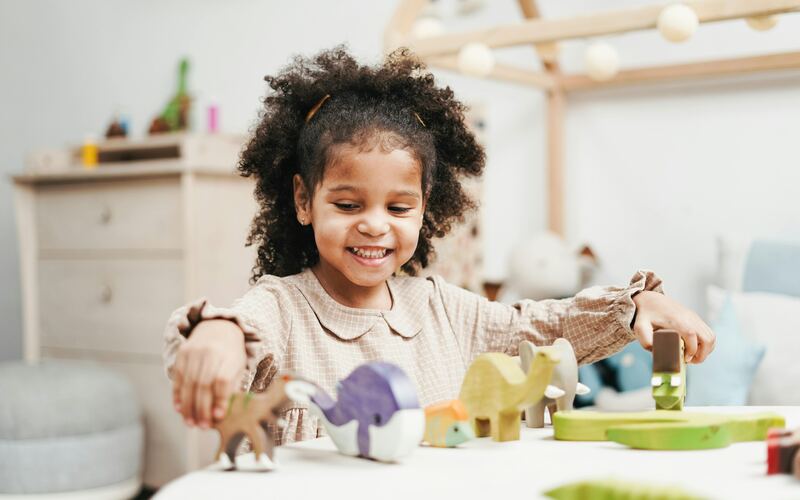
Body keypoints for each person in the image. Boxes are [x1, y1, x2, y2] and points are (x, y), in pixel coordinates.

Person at [163, 47, 715, 444]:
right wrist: (215, 336)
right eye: (349, 205)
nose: (375, 226)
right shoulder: (281, 307)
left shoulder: (441, 308)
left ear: (426, 207)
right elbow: (238, 331)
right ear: (305, 201)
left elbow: (542, 328)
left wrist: (635, 305)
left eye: (398, 208)